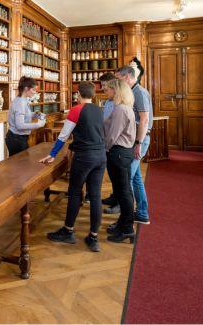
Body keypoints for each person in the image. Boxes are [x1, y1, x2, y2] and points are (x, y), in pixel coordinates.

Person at [40, 82, 106, 252]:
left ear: (78, 94)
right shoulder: (100, 110)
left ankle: (68, 231)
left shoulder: (76, 110)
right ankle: (93, 237)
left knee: (75, 192)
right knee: (96, 195)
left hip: (84, 157)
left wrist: (52, 154)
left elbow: (63, 136)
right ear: (93, 94)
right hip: (100, 156)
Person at [106, 66, 153, 229]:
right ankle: (141, 212)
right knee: (135, 178)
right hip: (133, 140)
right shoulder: (132, 93)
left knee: (126, 181)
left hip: (139, 140)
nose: (117, 82)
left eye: (118, 78)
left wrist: (139, 143)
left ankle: (125, 218)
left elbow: (144, 120)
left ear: (127, 77)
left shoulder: (138, 92)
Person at [102, 79, 137, 243]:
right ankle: (123, 224)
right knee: (122, 191)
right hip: (122, 153)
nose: (106, 92)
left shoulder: (121, 110)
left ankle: (127, 228)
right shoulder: (124, 108)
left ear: (116, 91)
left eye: (108, 89)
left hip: (118, 153)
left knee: (123, 193)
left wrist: (104, 149)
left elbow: (112, 136)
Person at [84, 72, 117, 205]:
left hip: (112, 142)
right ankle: (114, 197)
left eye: (104, 85)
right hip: (105, 139)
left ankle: (118, 202)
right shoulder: (109, 101)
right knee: (111, 172)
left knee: (117, 174)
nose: (102, 88)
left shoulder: (118, 102)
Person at [6, 76, 46, 156]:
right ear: (26, 88)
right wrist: (38, 125)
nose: (35, 92)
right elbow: (20, 125)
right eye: (33, 89)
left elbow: (24, 115)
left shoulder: (23, 100)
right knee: (21, 166)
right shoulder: (20, 102)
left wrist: (35, 114)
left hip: (18, 138)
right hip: (17, 139)